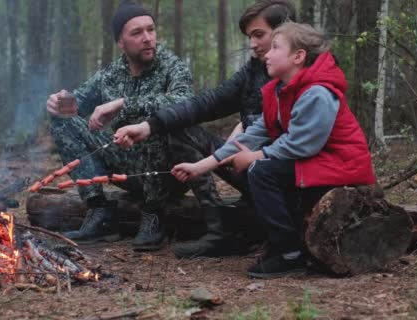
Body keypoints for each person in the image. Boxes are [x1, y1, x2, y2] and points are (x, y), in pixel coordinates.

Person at [171, 22, 376, 278]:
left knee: (262, 171)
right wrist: (200, 167)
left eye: (275, 47)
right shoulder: (282, 91)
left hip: (343, 166)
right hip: (320, 162)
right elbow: (254, 134)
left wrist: (255, 157)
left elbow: (302, 143)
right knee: (262, 169)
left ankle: (289, 252)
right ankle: (283, 241)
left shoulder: (317, 92)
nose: (266, 54)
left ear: (298, 57)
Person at [114, 0, 297, 258]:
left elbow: (299, 140)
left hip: (277, 173)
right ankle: (218, 231)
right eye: (249, 37)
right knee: (179, 127)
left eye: (259, 35)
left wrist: (254, 153)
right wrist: (150, 125)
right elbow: (206, 103)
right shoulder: (254, 70)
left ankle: (276, 241)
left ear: (285, 34)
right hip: (247, 163)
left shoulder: (305, 76)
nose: (252, 44)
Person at [47, 0, 221, 251]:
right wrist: (58, 102)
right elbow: (76, 105)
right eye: (137, 33)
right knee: (64, 122)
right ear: (120, 41)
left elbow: (183, 101)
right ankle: (99, 211)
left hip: (170, 173)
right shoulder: (110, 74)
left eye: (151, 30)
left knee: (155, 122)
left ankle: (154, 213)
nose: (148, 38)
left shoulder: (172, 67)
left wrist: (122, 104)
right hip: (125, 165)